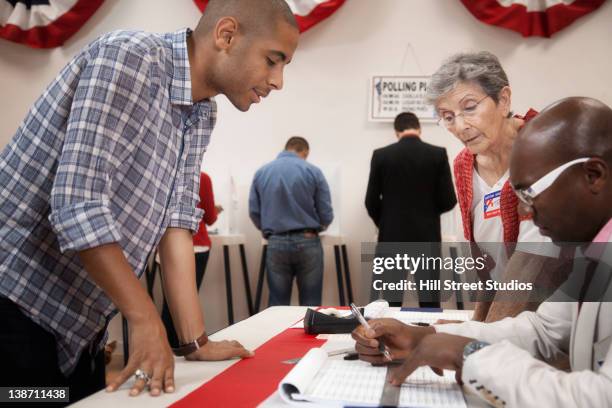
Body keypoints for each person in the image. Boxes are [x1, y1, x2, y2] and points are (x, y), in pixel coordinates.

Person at [0, 0, 299, 402]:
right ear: (226, 35)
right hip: (16, 304)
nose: (278, 81)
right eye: (272, 60)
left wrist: (195, 341)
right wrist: (144, 319)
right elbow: (77, 202)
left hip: (79, 325)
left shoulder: (202, 113)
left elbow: (177, 223)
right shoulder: (129, 57)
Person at [352, 97, 612, 408]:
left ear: (593, 175)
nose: (523, 209)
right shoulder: (594, 255)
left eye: (529, 192)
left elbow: (600, 397)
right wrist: (424, 336)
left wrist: (471, 355)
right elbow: (544, 331)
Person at [427, 51, 566, 322]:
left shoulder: (543, 149)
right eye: (447, 116)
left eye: (469, 108)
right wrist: (474, 326)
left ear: (503, 100)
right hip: (508, 322)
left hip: (558, 317)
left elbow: (532, 263)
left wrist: (474, 340)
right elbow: (488, 269)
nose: (460, 126)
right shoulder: (464, 164)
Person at [365, 112, 456, 307]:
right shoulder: (437, 154)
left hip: (392, 238)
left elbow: (370, 201)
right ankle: (428, 337)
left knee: (391, 302)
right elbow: (449, 200)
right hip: (427, 236)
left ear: (396, 132)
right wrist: (429, 214)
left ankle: (390, 338)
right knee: (429, 300)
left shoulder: (381, 156)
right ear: (419, 129)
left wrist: (386, 222)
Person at [249, 136, 333, 306]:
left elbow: (254, 211)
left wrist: (268, 231)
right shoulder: (313, 171)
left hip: (276, 242)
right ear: (305, 152)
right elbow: (326, 211)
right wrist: (320, 226)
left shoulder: (262, 172)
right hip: (308, 241)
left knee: (278, 305)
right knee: (310, 304)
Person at [161, 171, 222, 348]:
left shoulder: (163, 174)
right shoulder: (201, 177)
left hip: (163, 244)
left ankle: (168, 352)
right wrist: (214, 211)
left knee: (169, 304)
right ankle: (183, 349)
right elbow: (209, 217)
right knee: (186, 303)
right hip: (196, 244)